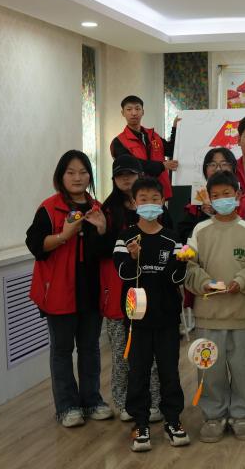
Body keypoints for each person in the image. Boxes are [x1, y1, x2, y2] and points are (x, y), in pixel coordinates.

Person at [25, 150, 111, 427]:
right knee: (62, 350)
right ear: (60, 177)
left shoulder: (97, 208)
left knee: (90, 348)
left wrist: (102, 230)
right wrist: (64, 235)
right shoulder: (49, 208)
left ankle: (92, 400)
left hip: (91, 291)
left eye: (83, 172)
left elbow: (104, 252)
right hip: (60, 291)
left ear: (90, 176)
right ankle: (67, 406)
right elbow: (35, 245)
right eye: (71, 172)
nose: (77, 177)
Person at [113, 177, 189, 452]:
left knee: (169, 371)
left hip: (167, 316)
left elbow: (176, 278)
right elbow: (123, 274)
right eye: (143, 199)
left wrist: (183, 261)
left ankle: (173, 420)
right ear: (134, 203)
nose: (149, 204)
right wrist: (133, 257)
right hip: (137, 318)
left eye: (154, 199)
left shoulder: (172, 237)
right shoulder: (125, 238)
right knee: (138, 372)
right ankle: (140, 423)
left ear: (163, 202)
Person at [183, 171, 245, 443]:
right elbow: (189, 265)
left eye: (227, 194)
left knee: (242, 368)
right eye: (215, 196)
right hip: (208, 315)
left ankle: (243, 414)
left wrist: (241, 281)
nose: (221, 199)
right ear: (208, 199)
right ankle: (213, 415)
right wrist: (204, 283)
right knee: (209, 368)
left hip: (241, 314)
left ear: (238, 196)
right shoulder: (200, 230)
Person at [99, 155, 164, 423]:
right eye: (120, 175)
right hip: (119, 291)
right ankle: (124, 402)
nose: (125, 179)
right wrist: (102, 232)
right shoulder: (107, 210)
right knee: (122, 352)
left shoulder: (157, 208)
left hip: (152, 292)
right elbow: (101, 253)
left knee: (152, 355)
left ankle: (154, 402)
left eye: (130, 173)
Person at [177, 148, 245, 241]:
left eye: (224, 164)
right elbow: (185, 236)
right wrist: (206, 215)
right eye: (212, 164)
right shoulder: (197, 202)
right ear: (205, 170)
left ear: (234, 169)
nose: (218, 169)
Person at [111, 95, 178, 200]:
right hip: (135, 195)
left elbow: (171, 150)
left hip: (159, 192)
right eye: (129, 109)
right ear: (123, 113)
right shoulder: (118, 142)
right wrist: (161, 166)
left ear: (143, 112)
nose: (134, 113)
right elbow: (132, 164)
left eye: (137, 109)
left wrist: (175, 128)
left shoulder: (153, 136)